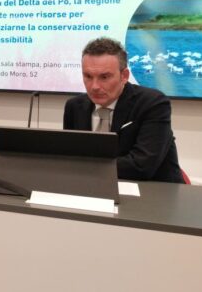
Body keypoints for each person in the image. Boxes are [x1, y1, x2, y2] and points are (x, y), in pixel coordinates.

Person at [63, 37, 184, 183]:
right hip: (92, 188)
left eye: (104, 77)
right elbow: (69, 157)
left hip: (153, 190)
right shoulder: (74, 107)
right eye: (88, 76)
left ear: (124, 76)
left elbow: (141, 166)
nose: (94, 86)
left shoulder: (153, 104)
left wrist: (85, 166)